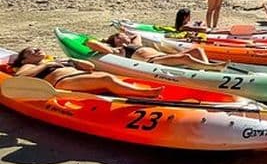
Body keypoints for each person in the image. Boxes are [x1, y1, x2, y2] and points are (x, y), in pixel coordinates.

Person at [11, 46, 162, 98]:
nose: (38, 49)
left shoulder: (54, 61)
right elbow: (19, 77)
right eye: (32, 50)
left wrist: (72, 60)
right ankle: (145, 94)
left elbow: (89, 66)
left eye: (38, 48)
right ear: (24, 59)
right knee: (106, 79)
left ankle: (133, 92)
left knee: (109, 77)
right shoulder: (27, 66)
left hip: (80, 75)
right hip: (62, 83)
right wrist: (47, 65)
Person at [88, 32, 228, 72]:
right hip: (154, 62)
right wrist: (107, 41)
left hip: (164, 57)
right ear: (117, 39)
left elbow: (136, 35)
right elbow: (91, 43)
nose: (125, 35)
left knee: (197, 49)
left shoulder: (135, 43)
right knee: (185, 57)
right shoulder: (120, 50)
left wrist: (125, 36)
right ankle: (211, 67)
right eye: (121, 35)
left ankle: (206, 70)